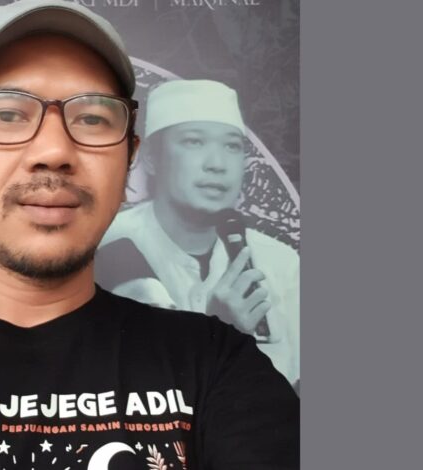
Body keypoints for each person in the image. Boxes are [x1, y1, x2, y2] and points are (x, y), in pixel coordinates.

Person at [0, 2, 299, 470]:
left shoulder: (215, 365)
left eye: (92, 118)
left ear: (129, 162)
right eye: (7, 115)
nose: (53, 151)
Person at [96, 79, 300, 387]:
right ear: (151, 158)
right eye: (194, 142)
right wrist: (218, 334)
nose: (217, 165)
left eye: (232, 146)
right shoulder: (100, 246)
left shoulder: (281, 264)